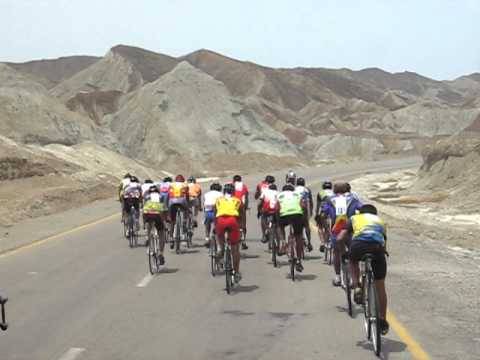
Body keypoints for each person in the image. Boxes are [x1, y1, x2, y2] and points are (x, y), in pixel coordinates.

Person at [337, 204, 389, 334]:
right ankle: (382, 320)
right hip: (377, 248)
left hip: (358, 245)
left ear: (361, 212)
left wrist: (344, 252)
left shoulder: (354, 218)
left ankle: (357, 286)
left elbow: (340, 237)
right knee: (380, 286)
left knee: (353, 261)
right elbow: (384, 242)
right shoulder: (380, 221)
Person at [322, 182, 362, 286]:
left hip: (336, 230)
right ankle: (356, 279)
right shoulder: (353, 198)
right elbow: (361, 208)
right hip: (350, 230)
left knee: (336, 252)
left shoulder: (330, 199)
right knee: (354, 255)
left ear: (335, 190)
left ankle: (338, 276)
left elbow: (324, 213)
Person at [215, 183, 243, 283]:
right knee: (235, 248)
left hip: (220, 221)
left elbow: (215, 214)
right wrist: (242, 227)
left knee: (220, 240)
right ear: (233, 192)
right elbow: (241, 216)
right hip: (232, 221)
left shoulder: (218, 200)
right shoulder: (237, 200)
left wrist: (215, 227)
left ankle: (220, 251)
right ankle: (236, 272)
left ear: (224, 192)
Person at [276, 184, 306, 272]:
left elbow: (277, 208)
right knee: (299, 237)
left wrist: (278, 219)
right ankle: (299, 260)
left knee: (279, 227)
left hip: (284, 215)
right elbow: (303, 206)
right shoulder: (297, 194)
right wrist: (303, 217)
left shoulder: (279, 195)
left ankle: (283, 242)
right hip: (297, 215)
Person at [143, 185, 167, 265]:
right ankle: (161, 253)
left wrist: (144, 223)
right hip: (157, 215)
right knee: (161, 233)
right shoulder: (161, 196)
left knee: (149, 226)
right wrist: (165, 221)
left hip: (147, 214)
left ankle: (148, 239)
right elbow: (163, 209)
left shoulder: (146, 196)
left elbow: (143, 209)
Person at [168, 175, 190, 248]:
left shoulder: (171, 185)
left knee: (172, 221)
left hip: (172, 202)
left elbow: (169, 195)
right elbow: (187, 195)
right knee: (186, 211)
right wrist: (188, 206)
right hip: (182, 201)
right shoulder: (185, 185)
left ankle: (171, 237)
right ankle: (184, 221)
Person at [294, 177, 314, 252]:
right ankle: (309, 242)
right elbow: (310, 201)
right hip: (304, 209)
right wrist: (311, 211)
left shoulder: (294, 189)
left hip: (294, 209)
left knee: (294, 225)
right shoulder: (307, 190)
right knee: (306, 225)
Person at [315, 181, 334, 252]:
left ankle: (322, 242)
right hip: (333, 212)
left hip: (324, 211)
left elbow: (318, 206)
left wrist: (316, 214)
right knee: (329, 228)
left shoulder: (320, 193)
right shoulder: (334, 192)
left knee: (320, 226)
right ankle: (328, 240)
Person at [202, 182, 223, 247]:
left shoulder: (206, 194)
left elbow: (204, 204)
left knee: (207, 224)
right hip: (217, 214)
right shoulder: (221, 194)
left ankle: (207, 238)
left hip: (208, 213)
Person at [232, 175, 249, 250]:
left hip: (232, 205)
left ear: (233, 180)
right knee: (243, 224)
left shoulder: (231, 185)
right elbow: (246, 197)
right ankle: (244, 241)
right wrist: (246, 207)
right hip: (241, 205)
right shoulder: (244, 186)